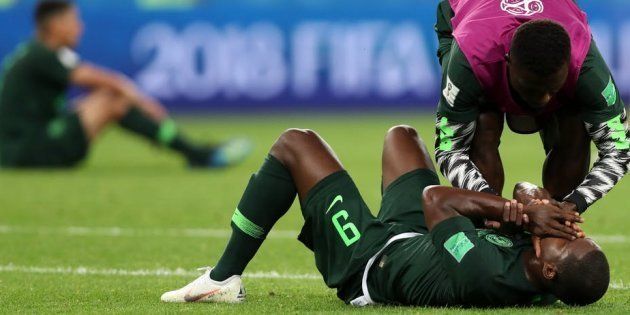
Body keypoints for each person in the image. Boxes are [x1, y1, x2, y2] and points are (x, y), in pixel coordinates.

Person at [160, 125, 609, 307]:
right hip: (419, 237)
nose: (569, 232)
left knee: (295, 143)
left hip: (371, 260)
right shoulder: (541, 265)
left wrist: (518, 212)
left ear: (550, 267)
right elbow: (530, 191)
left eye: (568, 242)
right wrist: (533, 210)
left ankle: (223, 279)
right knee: (402, 137)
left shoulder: (486, 274)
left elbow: (436, 199)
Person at [0, 0, 252, 168]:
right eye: (74, 21)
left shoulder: (33, 53)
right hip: (28, 151)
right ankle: (197, 154)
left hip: (25, 144)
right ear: (55, 25)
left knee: (103, 100)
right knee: (113, 99)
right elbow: (107, 80)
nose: (80, 27)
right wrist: (142, 100)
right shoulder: (42, 54)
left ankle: (194, 152)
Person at [433, 0, 630, 213]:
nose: (544, 100)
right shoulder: (470, 60)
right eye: (532, 89)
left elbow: (619, 151)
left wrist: (572, 206)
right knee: (482, 121)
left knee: (575, 120)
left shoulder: (585, 65)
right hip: (466, 18)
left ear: (569, 65)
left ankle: (555, 219)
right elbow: (450, 150)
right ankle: (490, 228)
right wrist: (497, 208)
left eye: (553, 90)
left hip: (540, 25)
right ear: (507, 62)